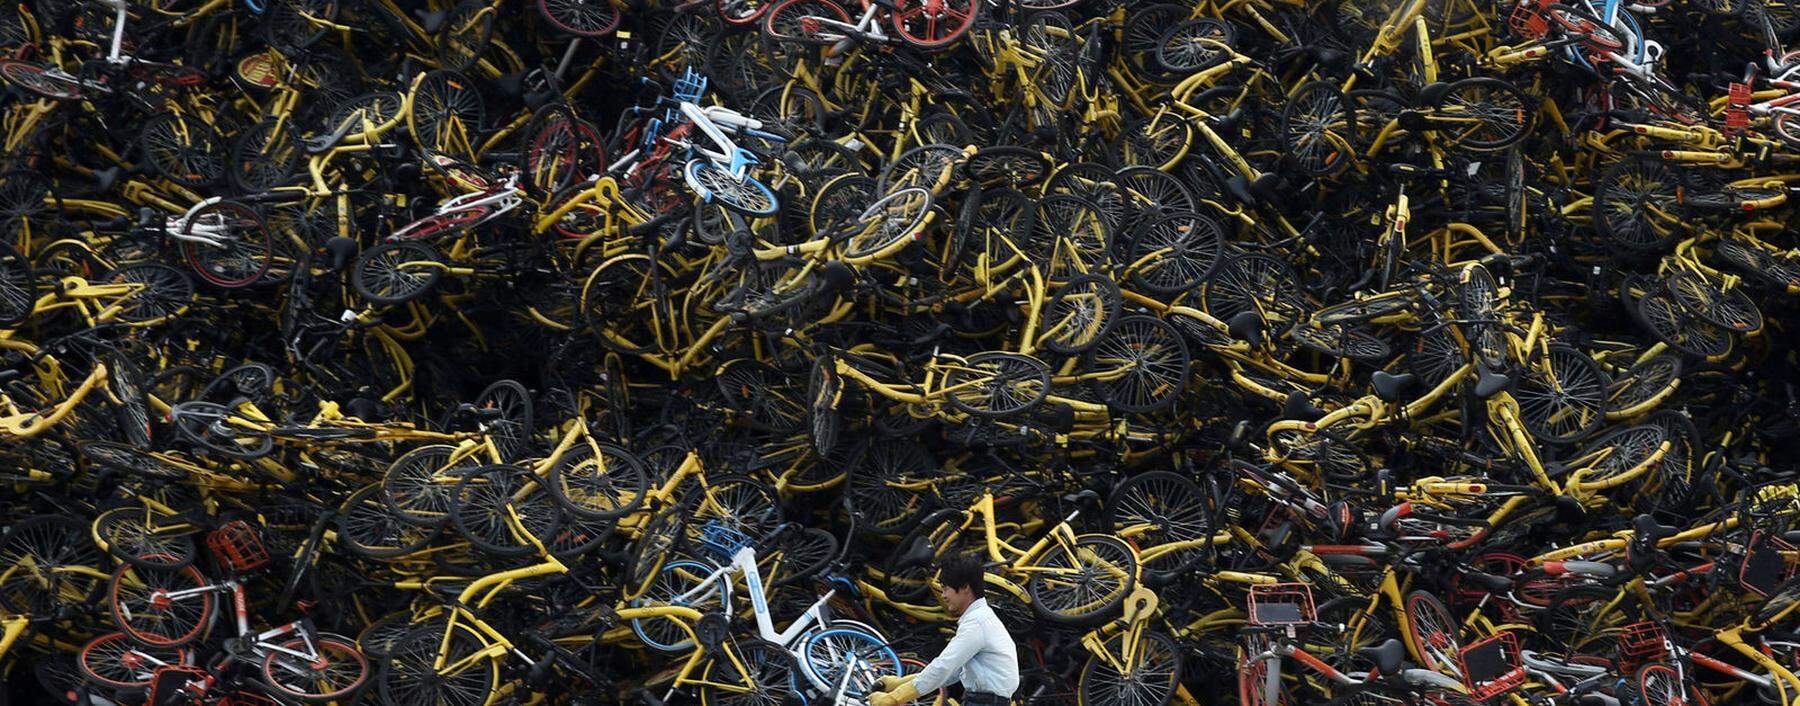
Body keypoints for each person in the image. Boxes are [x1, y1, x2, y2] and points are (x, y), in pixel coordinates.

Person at [868, 555, 1019, 706]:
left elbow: (943, 667)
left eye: (946, 589)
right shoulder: (981, 619)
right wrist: (900, 683)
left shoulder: (977, 623)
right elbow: (953, 673)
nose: (943, 596)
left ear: (965, 587)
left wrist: (894, 698)